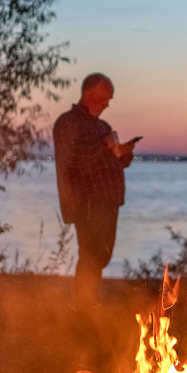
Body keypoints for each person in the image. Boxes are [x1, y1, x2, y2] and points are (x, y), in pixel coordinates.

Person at [53, 73, 134, 304]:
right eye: (105, 96)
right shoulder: (68, 123)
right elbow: (72, 159)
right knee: (91, 254)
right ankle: (84, 303)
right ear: (88, 92)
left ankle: (89, 300)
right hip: (87, 200)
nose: (108, 103)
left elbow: (112, 160)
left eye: (110, 98)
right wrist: (103, 145)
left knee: (102, 255)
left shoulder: (103, 126)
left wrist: (123, 154)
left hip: (109, 200)